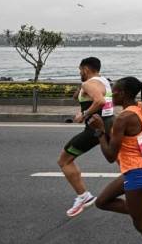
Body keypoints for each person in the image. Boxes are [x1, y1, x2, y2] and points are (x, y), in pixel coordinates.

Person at [89, 77, 142, 244]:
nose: (111, 94)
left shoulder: (123, 118)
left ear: (122, 93)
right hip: (141, 166)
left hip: (137, 172)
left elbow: (110, 156)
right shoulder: (141, 107)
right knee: (102, 201)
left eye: (113, 91)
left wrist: (99, 132)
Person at [58, 57, 115, 217]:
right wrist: (82, 94)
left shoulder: (89, 83)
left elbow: (100, 100)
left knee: (64, 161)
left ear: (86, 69)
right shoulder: (103, 81)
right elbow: (85, 98)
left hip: (93, 131)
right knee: (123, 161)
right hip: (108, 127)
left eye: (80, 70)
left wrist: (84, 114)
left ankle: (84, 196)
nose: (79, 73)